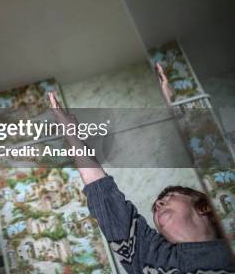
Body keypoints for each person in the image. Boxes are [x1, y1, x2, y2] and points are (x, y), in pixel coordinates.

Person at [46, 63, 235, 273]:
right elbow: (106, 200)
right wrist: (71, 134)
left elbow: (217, 168)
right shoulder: (150, 257)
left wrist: (180, 105)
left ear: (204, 207)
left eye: (171, 195)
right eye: (158, 205)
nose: (158, 204)